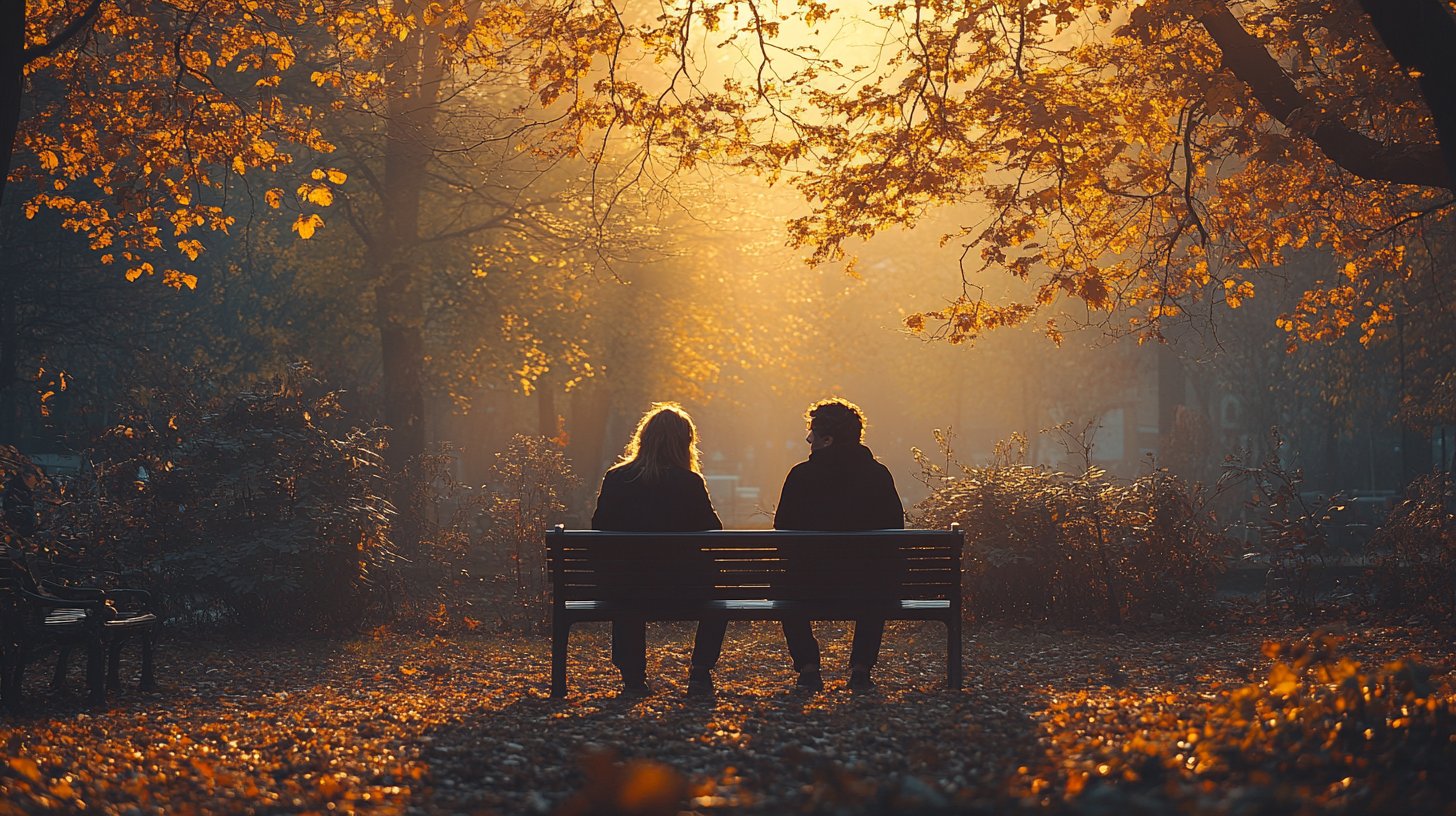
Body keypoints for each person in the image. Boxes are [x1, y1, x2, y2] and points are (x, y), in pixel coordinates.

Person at [591, 403, 723, 694]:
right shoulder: (689, 482)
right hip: (681, 587)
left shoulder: (617, 478)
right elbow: (713, 532)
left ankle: (633, 677)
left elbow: (599, 528)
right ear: (685, 443)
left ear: (644, 438)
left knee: (629, 588)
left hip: (625, 586)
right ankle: (700, 672)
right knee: (719, 599)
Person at [774, 398, 903, 691]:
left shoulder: (800, 476)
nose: (809, 440)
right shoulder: (878, 475)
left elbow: (782, 532)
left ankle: (808, 666)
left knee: (783, 586)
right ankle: (860, 668)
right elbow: (895, 531)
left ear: (828, 440)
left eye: (813, 434)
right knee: (878, 578)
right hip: (868, 586)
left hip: (808, 585)